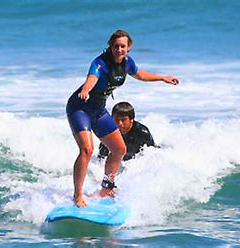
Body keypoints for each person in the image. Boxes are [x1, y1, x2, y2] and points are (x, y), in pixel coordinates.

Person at [66, 30, 179, 207]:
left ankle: (106, 187)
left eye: (123, 46)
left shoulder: (127, 63)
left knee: (119, 149)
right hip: (80, 108)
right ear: (110, 46)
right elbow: (92, 78)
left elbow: (140, 74)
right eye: (116, 46)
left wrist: (163, 78)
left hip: (98, 110)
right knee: (87, 149)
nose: (119, 49)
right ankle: (77, 196)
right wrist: (86, 89)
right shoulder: (100, 63)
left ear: (129, 47)